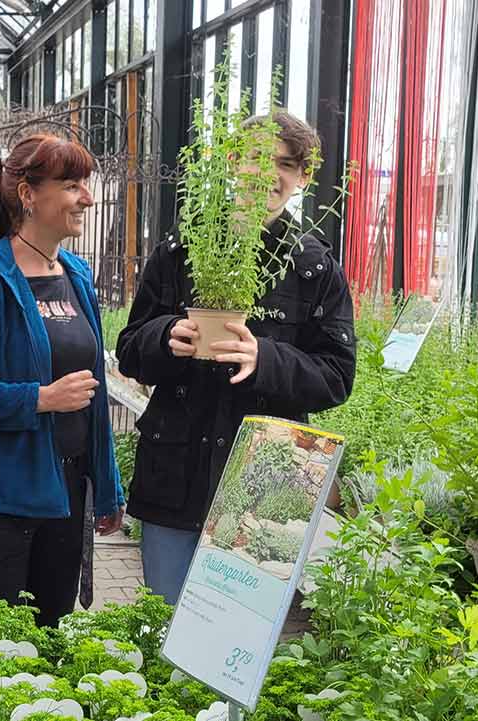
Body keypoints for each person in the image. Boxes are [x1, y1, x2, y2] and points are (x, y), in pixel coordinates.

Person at [115, 110, 356, 603]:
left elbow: (336, 375)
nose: (269, 173)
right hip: (175, 476)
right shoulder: (182, 252)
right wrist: (165, 337)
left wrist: (265, 359)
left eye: (285, 164)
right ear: (230, 163)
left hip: (263, 491)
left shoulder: (314, 268)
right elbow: (130, 350)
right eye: (256, 159)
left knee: (237, 630)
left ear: (303, 178)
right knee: (166, 619)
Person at [0, 134, 125, 655]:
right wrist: (39, 399)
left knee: (47, 660)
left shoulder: (76, 275)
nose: (87, 198)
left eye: (85, 184)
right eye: (72, 185)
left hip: (63, 501)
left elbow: (94, 394)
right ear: (28, 194)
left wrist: (106, 487)